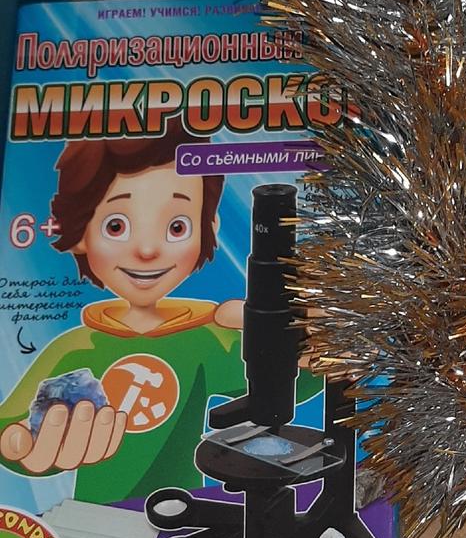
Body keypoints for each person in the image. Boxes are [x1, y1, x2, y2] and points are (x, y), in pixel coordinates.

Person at [0, 118, 318, 504]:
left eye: (177, 226)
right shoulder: (76, 348)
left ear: (209, 225)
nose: (147, 251)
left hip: (182, 511)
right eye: (116, 226)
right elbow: (10, 426)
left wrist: (312, 345)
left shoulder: (204, 337)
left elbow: (289, 384)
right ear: (80, 231)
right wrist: (22, 443)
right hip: (95, 516)